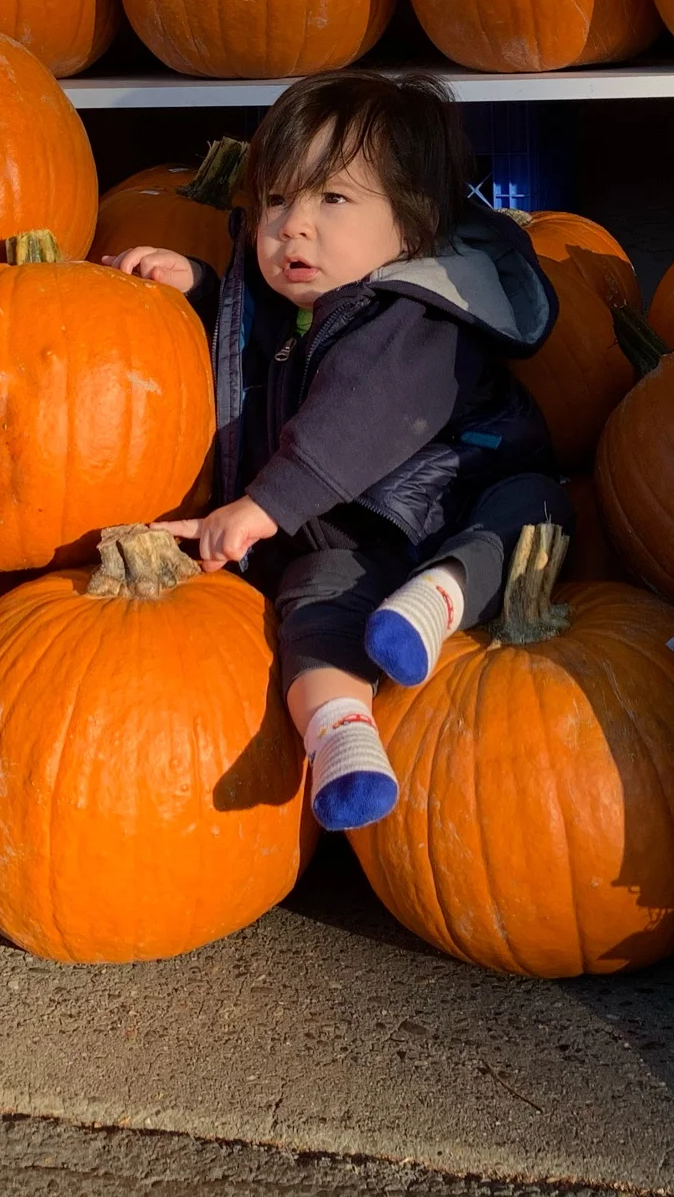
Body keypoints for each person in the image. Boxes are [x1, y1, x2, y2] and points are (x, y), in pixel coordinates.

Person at [111, 70, 565, 833]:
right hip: (355, 536)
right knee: (311, 609)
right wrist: (200, 288)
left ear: (412, 230)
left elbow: (358, 420)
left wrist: (263, 507)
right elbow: (253, 357)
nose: (293, 226)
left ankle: (440, 596)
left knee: (537, 510)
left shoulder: (413, 314)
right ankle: (341, 733)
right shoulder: (303, 307)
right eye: (277, 201)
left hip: (459, 504)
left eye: (333, 199)